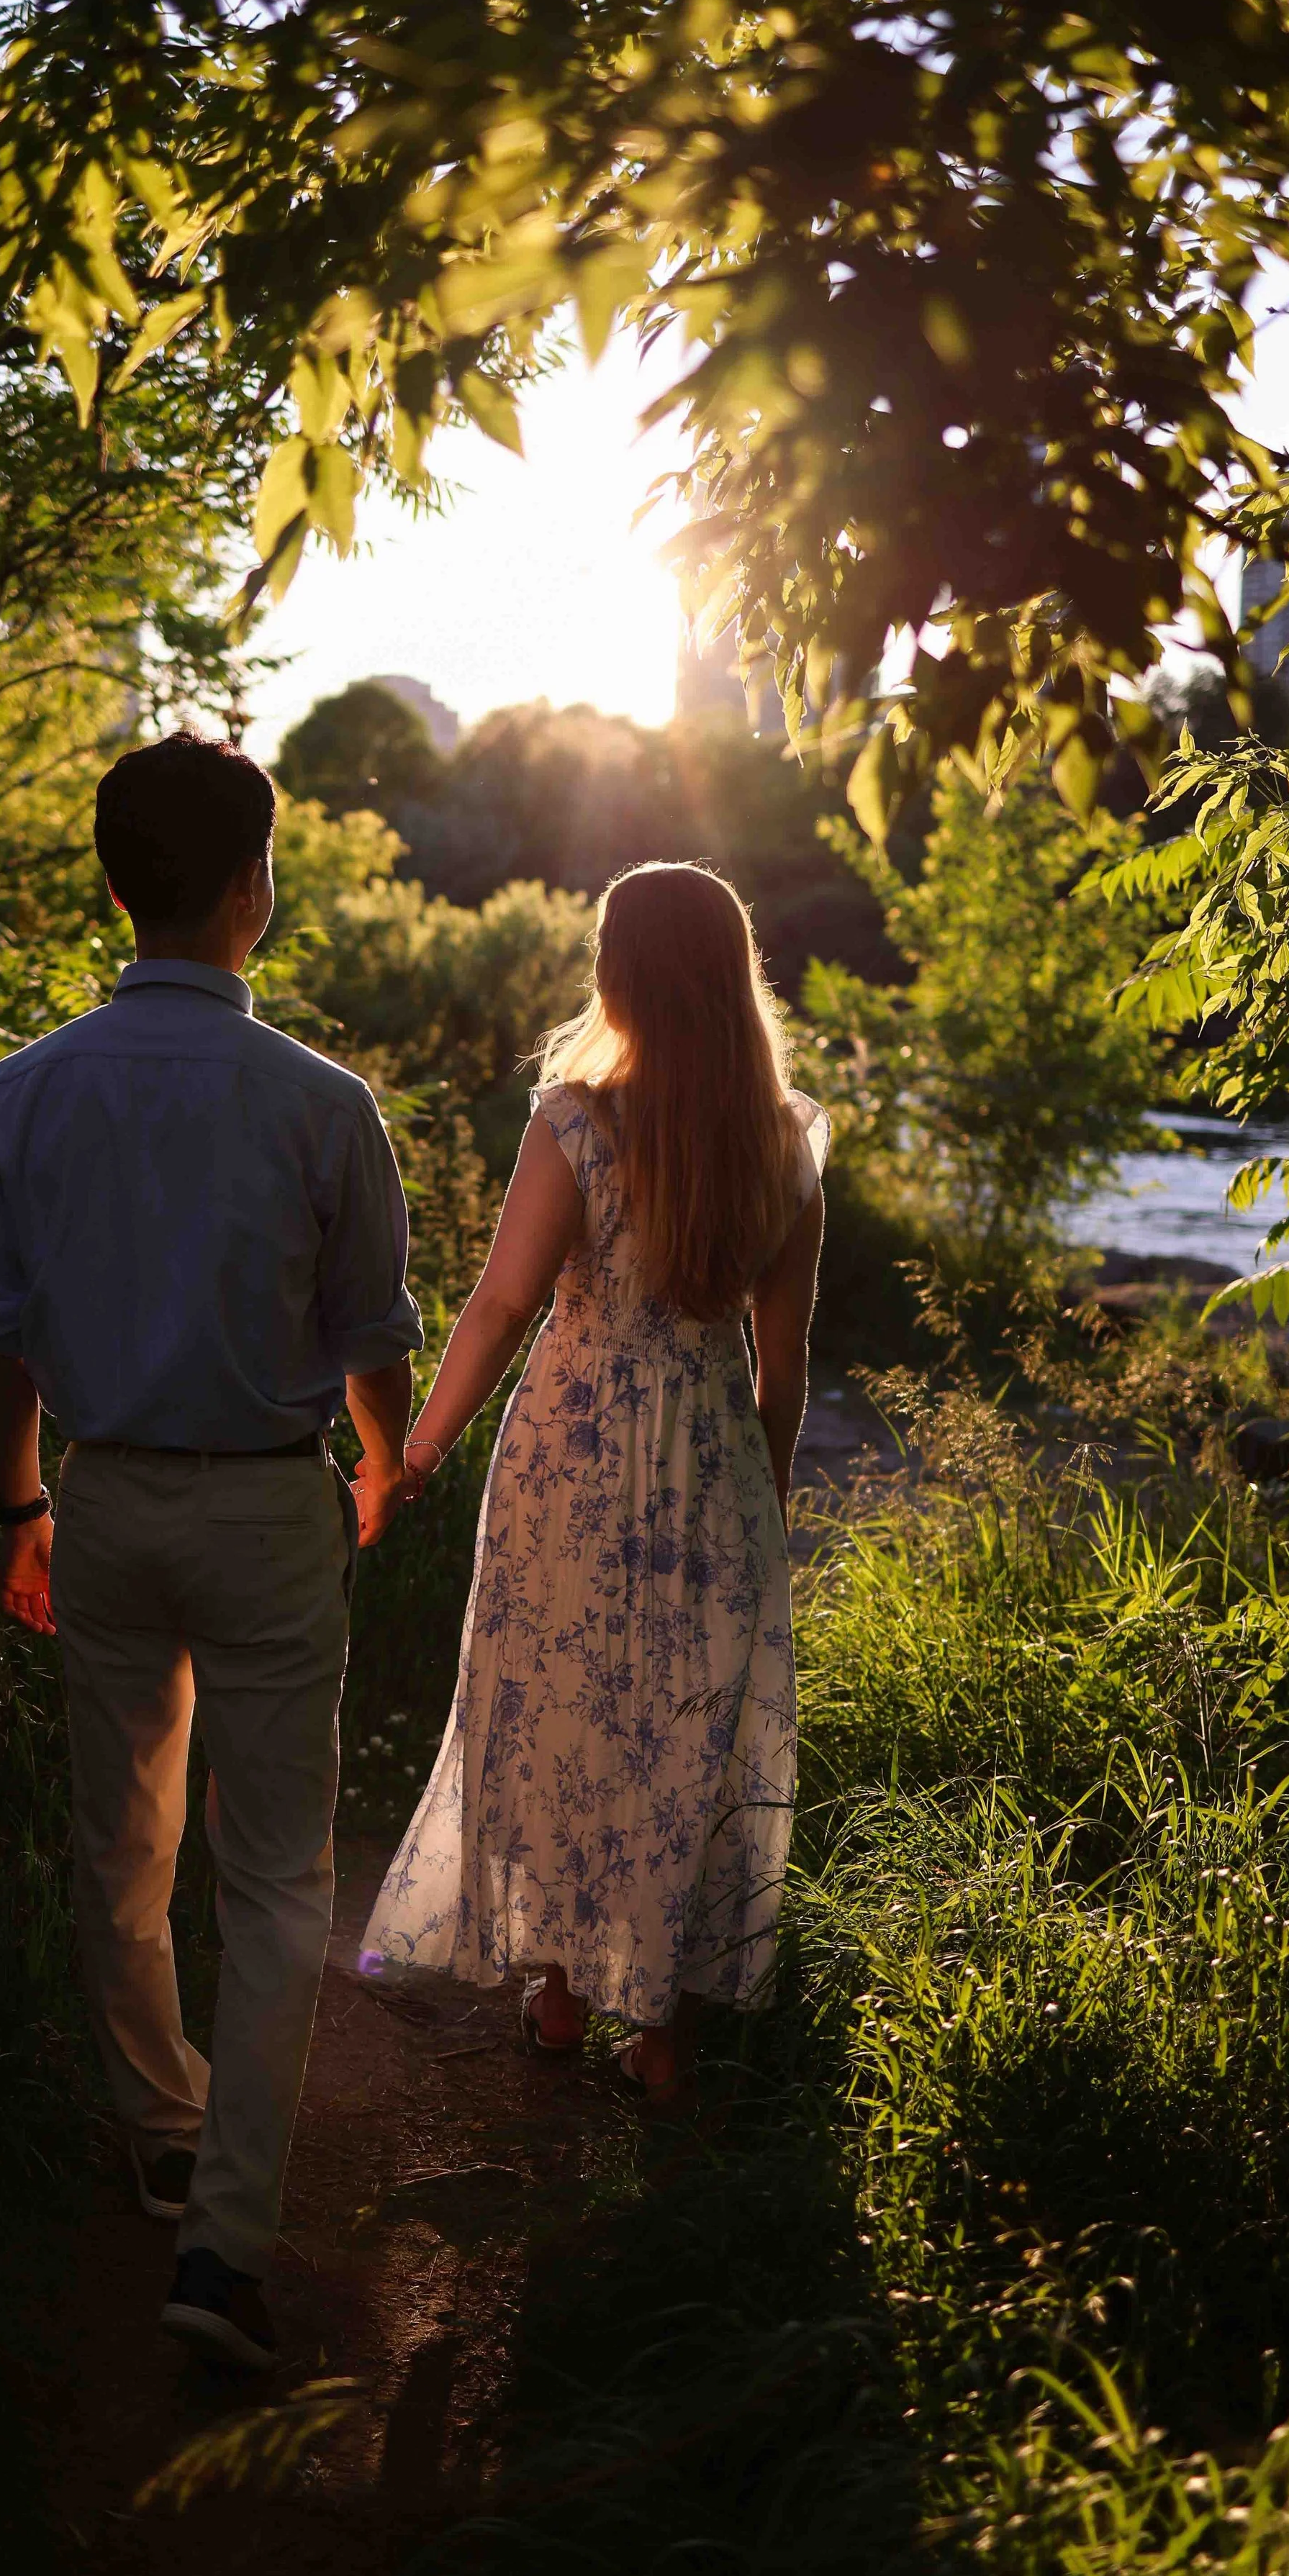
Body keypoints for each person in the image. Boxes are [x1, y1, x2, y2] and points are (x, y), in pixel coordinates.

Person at [0, 731, 422, 2371]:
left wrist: (23, 1502)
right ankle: (221, 2248)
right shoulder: (322, 1103)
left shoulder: (23, 1090)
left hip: (100, 1498)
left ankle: (160, 2126)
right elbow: (369, 1334)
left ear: (111, 884)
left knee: (119, 1844)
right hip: (267, 1503)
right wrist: (383, 1460)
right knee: (279, 1877)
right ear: (249, 889)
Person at [362, 861, 827, 2105]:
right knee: (680, 1722)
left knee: (559, 1700)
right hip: (712, 1461)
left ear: (618, 975)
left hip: (570, 1451)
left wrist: (418, 1454)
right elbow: (783, 1372)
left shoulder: (575, 1118)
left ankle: (559, 1993)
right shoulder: (785, 1144)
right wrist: (764, 1506)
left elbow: (505, 1304)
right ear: (734, 980)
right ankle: (661, 2029)